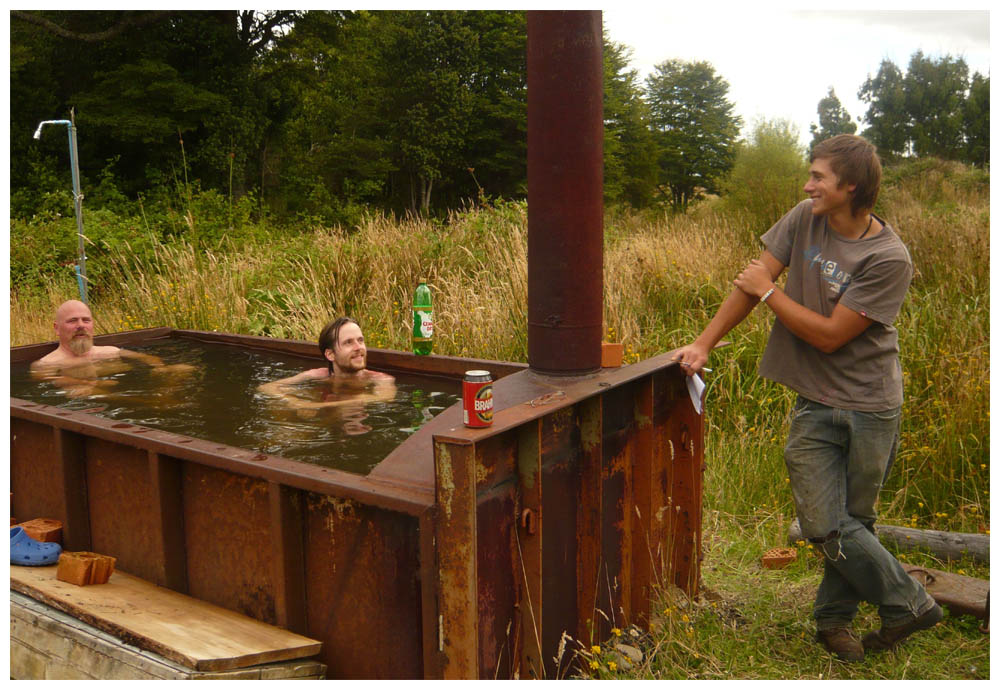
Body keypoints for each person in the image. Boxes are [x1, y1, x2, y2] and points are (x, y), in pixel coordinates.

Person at [672, 134, 940, 662]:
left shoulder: (889, 258)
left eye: (818, 176)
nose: (807, 184)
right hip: (815, 399)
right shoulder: (805, 217)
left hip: (870, 404)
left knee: (853, 522)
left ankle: (834, 623)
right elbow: (753, 281)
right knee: (824, 523)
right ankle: (907, 601)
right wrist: (703, 343)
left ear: (851, 186)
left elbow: (828, 335)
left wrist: (771, 293)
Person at [30, 299, 194, 397]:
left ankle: (164, 398)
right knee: (81, 392)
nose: (81, 325)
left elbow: (145, 358)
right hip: (96, 401)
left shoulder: (110, 351)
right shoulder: (46, 364)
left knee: (184, 368)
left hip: (128, 388)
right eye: (72, 321)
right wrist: (96, 385)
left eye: (86, 320)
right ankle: (154, 403)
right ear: (57, 328)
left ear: (92, 325)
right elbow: (54, 381)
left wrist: (159, 367)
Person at [257, 316, 396, 413]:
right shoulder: (318, 374)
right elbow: (266, 387)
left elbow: (383, 398)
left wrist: (318, 406)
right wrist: (294, 401)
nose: (358, 347)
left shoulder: (380, 379)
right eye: (348, 342)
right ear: (330, 354)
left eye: (360, 340)